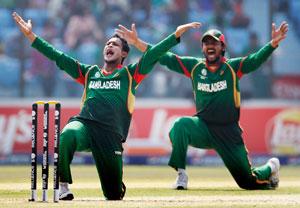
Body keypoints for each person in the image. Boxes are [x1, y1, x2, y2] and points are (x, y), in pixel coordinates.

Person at [12, 12, 201, 200]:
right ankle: (63, 186)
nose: (109, 45)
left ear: (124, 53)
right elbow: (58, 57)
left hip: (111, 136)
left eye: (115, 44)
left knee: (113, 195)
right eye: (108, 43)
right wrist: (31, 37)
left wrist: (175, 35)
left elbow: (153, 55)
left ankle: (115, 185)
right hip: (85, 126)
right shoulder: (89, 73)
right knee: (68, 133)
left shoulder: (129, 74)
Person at [116, 21, 288, 190]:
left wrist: (273, 44)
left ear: (223, 47)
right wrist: (137, 43)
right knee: (180, 125)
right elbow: (164, 57)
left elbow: (255, 60)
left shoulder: (232, 68)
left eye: (214, 42)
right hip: (203, 128)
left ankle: (271, 166)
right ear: (202, 48)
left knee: (247, 182)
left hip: (228, 133)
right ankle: (181, 174)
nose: (209, 46)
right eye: (206, 43)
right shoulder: (195, 67)